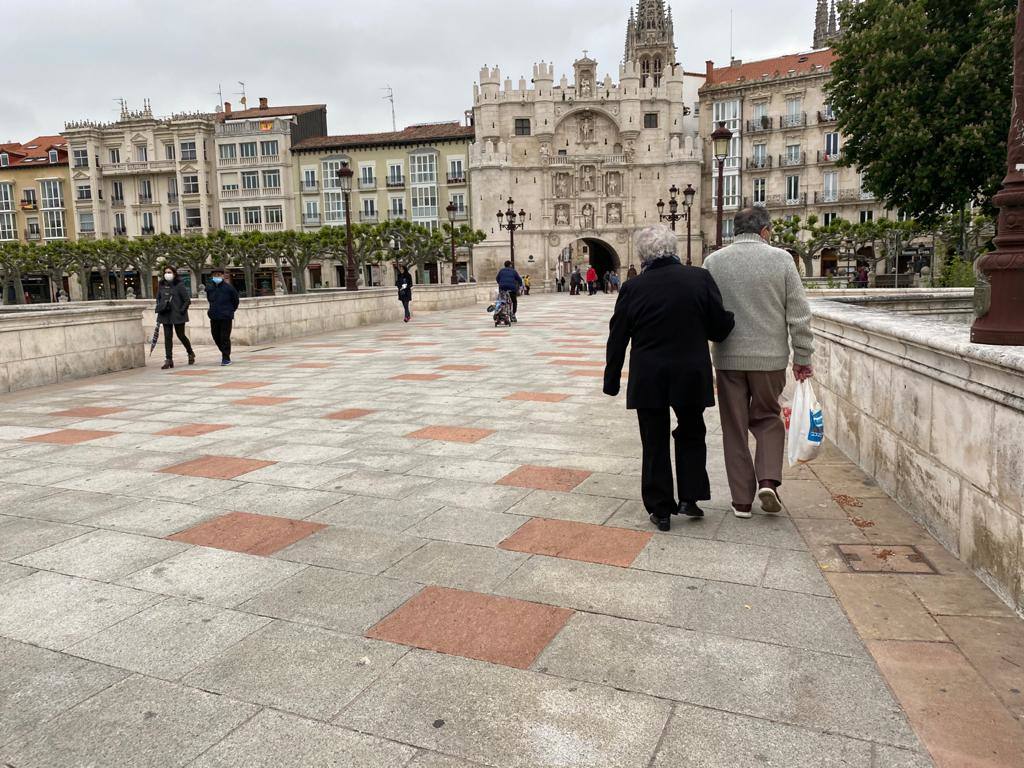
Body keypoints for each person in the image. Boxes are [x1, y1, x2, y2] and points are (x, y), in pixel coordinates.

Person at [604, 225, 735, 531]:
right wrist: (727, 321)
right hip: (690, 372)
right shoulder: (699, 278)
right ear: (674, 249)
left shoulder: (633, 288)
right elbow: (718, 326)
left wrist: (611, 380)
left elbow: (618, 336)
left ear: (642, 255)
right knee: (691, 431)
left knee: (654, 440)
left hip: (649, 375)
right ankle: (690, 497)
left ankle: (661, 509)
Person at [704, 206, 815, 520]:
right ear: (765, 230)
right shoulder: (781, 260)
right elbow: (799, 315)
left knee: (734, 427)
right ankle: (768, 480)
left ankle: (741, 500)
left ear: (734, 231)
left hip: (728, 359)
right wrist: (803, 358)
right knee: (767, 418)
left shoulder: (714, 262)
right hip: (770, 360)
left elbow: (706, 311)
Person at [155, 266, 194, 370]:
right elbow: (158, 298)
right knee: (168, 337)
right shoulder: (161, 285)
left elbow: (187, 300)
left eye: (170, 272)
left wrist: (181, 311)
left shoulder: (179, 285)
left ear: (174, 273)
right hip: (165, 314)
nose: (167, 274)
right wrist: (160, 306)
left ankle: (190, 352)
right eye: (166, 272)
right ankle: (168, 359)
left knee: (181, 335)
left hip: (178, 314)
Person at [206, 268, 239, 366]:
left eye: (219, 275)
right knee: (215, 336)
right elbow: (210, 300)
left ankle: (226, 358)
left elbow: (235, 301)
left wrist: (230, 311)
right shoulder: (210, 288)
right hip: (214, 316)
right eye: (215, 275)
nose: (217, 276)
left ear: (223, 276)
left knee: (224, 337)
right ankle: (225, 351)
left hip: (226, 316)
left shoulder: (229, 288)